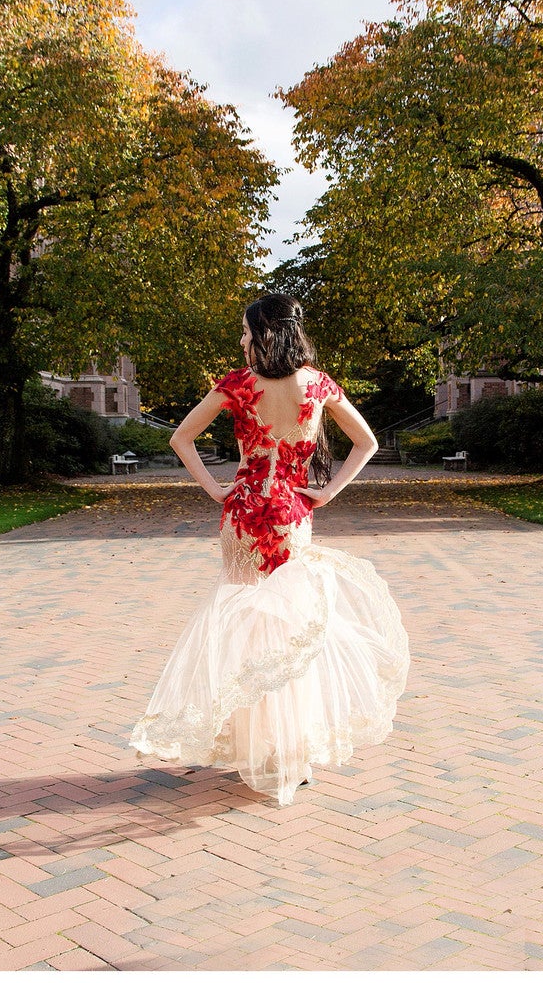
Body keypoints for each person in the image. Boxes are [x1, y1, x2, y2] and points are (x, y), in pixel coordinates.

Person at [129, 294, 410, 806]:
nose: (241, 341)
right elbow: (366, 442)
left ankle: (256, 747)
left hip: (243, 515)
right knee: (290, 629)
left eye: (244, 331)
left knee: (244, 626)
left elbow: (180, 439)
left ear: (263, 333)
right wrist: (326, 492)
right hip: (292, 516)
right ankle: (292, 754)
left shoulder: (238, 385)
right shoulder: (318, 384)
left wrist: (216, 489)